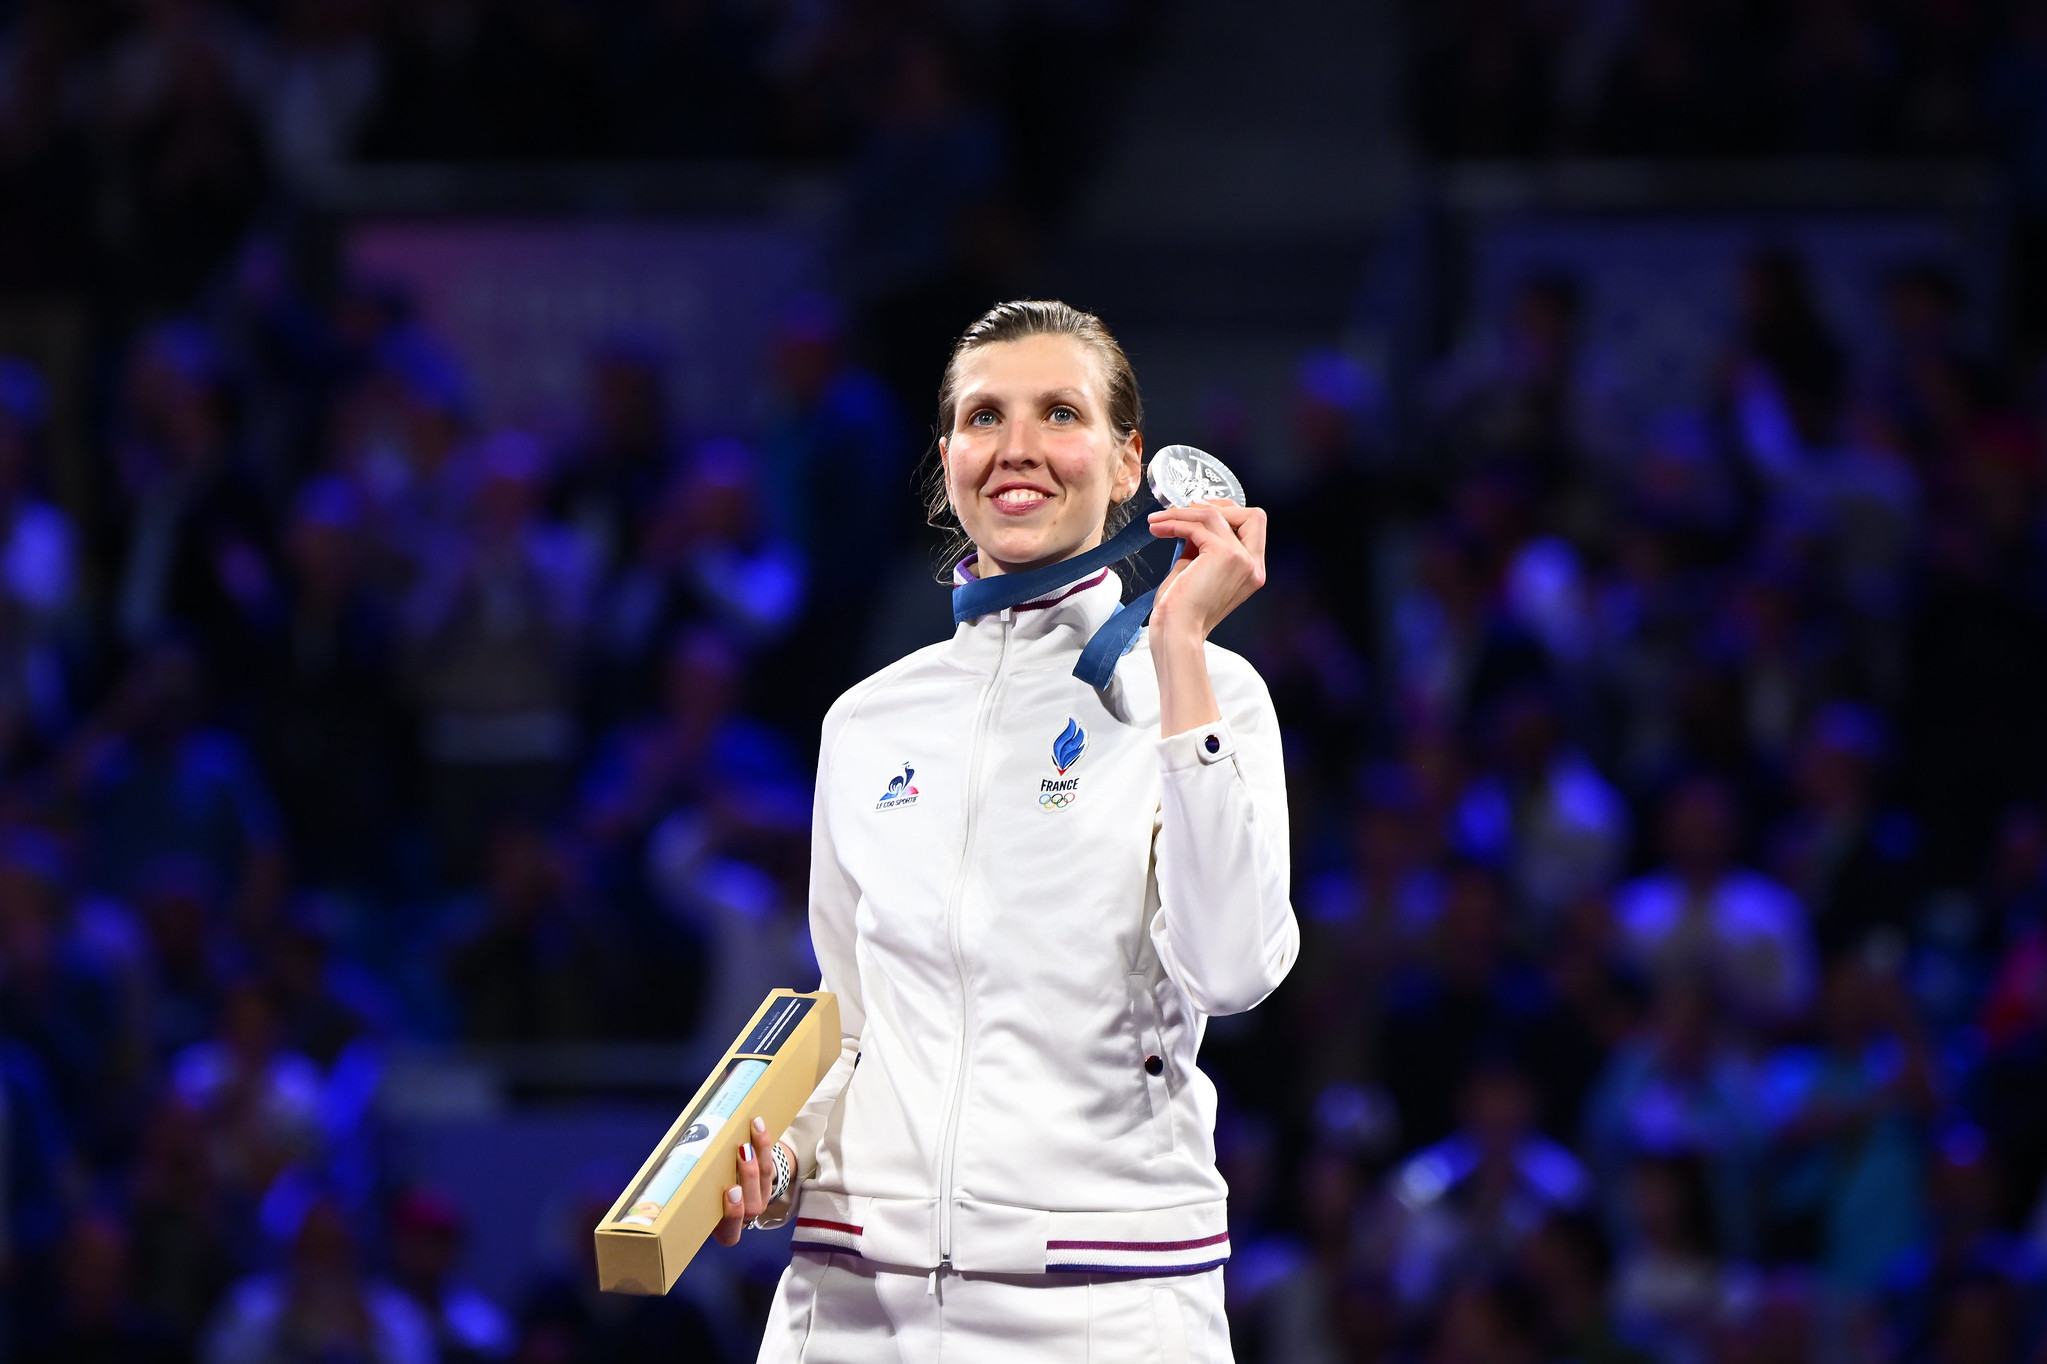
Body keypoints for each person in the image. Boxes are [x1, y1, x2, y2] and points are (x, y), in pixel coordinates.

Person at [713, 300, 1295, 1360]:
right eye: (985, 417)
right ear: (946, 463)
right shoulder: (867, 719)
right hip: (848, 1306)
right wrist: (781, 1165)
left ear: (1128, 464)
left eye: (1057, 413)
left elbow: (1231, 969)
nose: (1016, 447)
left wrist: (1175, 645)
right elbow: (850, 1027)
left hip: (1105, 1300)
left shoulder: (1212, 694)